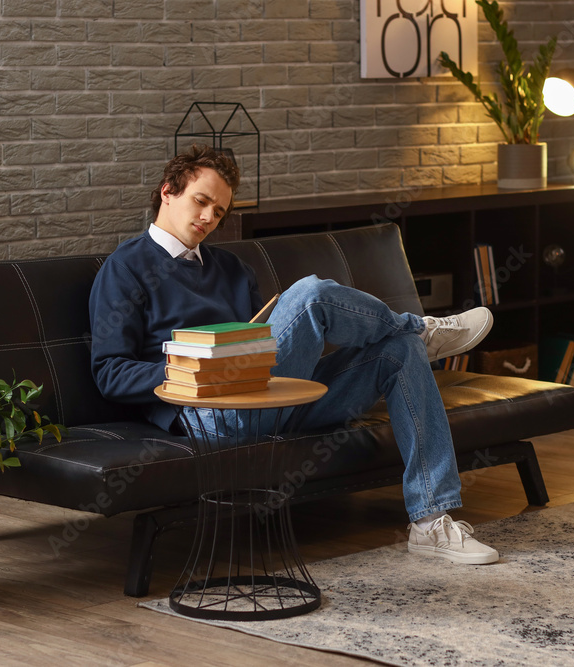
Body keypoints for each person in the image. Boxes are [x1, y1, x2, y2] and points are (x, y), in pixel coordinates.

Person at [89, 144, 499, 565]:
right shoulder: (125, 268)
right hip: (211, 413)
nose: (210, 217)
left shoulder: (231, 268)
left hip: (274, 396)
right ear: (167, 192)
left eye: (220, 211)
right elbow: (110, 373)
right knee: (310, 294)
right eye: (201, 201)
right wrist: (196, 369)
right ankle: (421, 325)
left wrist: (248, 352)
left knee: (400, 351)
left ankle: (431, 520)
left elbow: (266, 347)